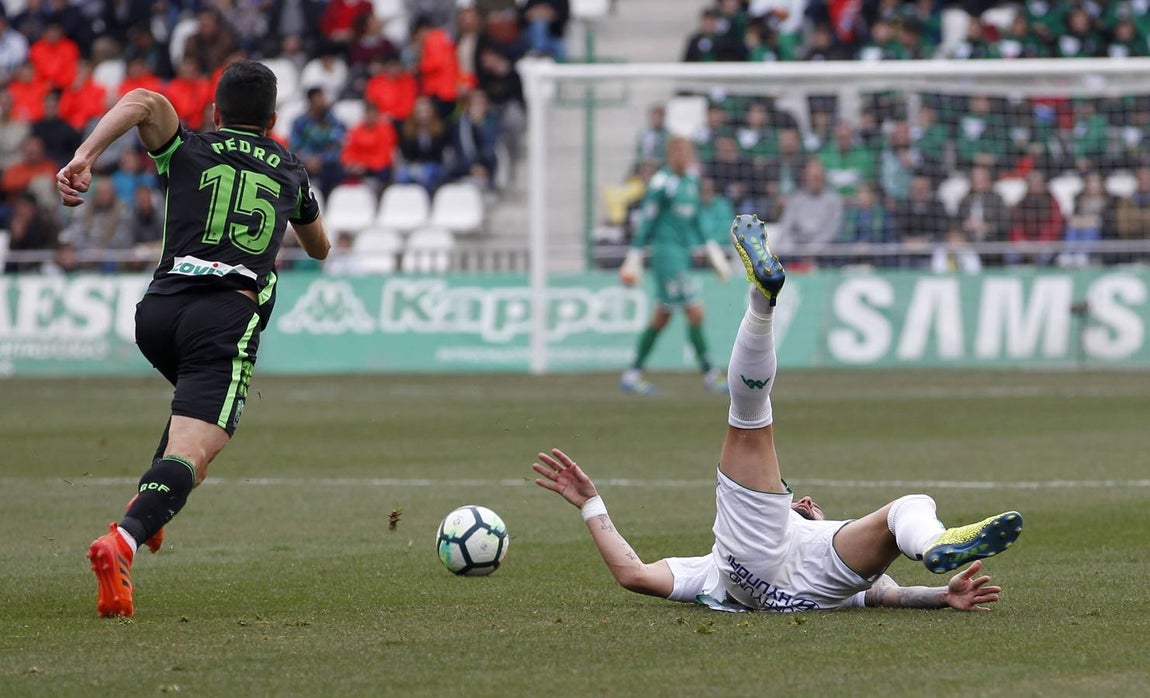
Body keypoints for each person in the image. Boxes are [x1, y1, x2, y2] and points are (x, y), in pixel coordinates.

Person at [536, 214, 1023, 613]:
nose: (805, 499)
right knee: (905, 509)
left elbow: (633, 573)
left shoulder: (709, 569)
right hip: (819, 576)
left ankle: (761, 300)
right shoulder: (825, 554)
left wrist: (590, 505)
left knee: (751, 412)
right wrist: (938, 597)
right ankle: (932, 541)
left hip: (762, 566)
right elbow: (888, 593)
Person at [56, 61, 332, 618]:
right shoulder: (291, 170)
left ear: (216, 112)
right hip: (222, 318)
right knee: (194, 450)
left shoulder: (188, 147)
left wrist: (84, 158)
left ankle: (148, 506)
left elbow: (141, 99)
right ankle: (124, 540)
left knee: (191, 434)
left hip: (157, 314)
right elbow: (320, 248)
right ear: (274, 119)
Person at [618, 137, 731, 396]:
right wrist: (634, 254)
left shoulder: (691, 182)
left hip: (683, 254)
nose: (683, 156)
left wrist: (712, 249)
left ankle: (632, 374)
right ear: (670, 154)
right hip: (666, 255)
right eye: (678, 151)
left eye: (687, 151)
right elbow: (647, 219)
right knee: (695, 311)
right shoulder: (662, 183)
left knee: (662, 316)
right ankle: (710, 374)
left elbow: (696, 220)